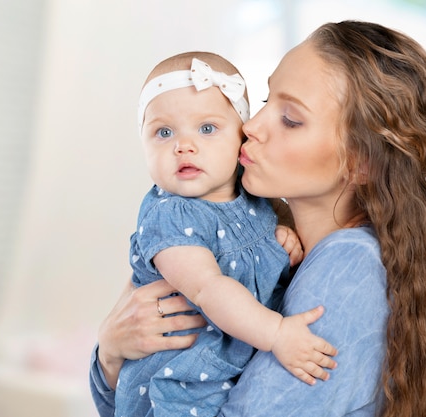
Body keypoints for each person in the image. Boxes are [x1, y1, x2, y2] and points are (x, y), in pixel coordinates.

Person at [91, 21, 426, 417]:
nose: (250, 126)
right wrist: (110, 351)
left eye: (291, 119)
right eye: (267, 101)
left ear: (361, 162)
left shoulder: (348, 267)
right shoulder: (258, 236)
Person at [109, 51, 338, 417]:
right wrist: (277, 333)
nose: (183, 145)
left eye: (206, 129)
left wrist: (278, 241)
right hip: (182, 384)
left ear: (240, 138)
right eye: (163, 132)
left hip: (229, 368)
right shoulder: (169, 214)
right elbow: (208, 288)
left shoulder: (255, 200)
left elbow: (251, 255)